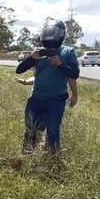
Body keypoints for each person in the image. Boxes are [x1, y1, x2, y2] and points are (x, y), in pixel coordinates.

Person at [16, 18, 79, 153]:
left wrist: (60, 64)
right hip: (36, 98)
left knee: (52, 131)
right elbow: (19, 70)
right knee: (31, 129)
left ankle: (52, 160)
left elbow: (74, 74)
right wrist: (32, 58)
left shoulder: (68, 52)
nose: (52, 36)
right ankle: (27, 158)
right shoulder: (39, 52)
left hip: (56, 100)